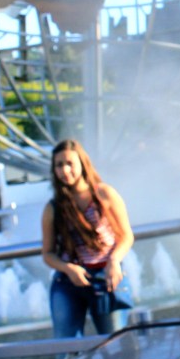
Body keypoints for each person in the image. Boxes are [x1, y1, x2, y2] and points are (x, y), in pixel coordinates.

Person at [41, 139, 135, 345]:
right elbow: (47, 253)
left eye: (70, 163)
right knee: (66, 348)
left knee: (115, 346)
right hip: (69, 281)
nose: (65, 170)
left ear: (82, 164)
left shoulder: (104, 194)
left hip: (106, 278)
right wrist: (68, 268)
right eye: (59, 165)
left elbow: (126, 235)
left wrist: (114, 261)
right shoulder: (53, 207)